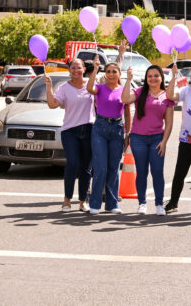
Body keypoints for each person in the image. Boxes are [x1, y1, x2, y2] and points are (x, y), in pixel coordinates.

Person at [122, 65, 174, 216]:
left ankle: (159, 204)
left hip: (157, 138)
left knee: (157, 172)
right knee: (142, 172)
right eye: (149, 76)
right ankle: (142, 203)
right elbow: (125, 99)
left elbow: (169, 123)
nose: (153, 78)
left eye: (156, 75)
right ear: (146, 78)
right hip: (138, 138)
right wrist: (128, 80)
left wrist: (164, 142)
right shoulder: (139, 92)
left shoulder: (167, 96)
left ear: (161, 78)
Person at [86, 56, 134, 215]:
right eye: (108, 71)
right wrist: (95, 69)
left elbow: (127, 112)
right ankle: (95, 203)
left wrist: (128, 133)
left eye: (114, 71)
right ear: (105, 73)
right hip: (100, 127)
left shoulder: (123, 90)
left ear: (120, 74)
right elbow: (89, 88)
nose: (111, 74)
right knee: (101, 167)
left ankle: (112, 204)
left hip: (118, 128)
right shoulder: (99, 88)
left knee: (114, 167)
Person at [44, 59, 93, 212]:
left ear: (84, 69)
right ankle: (67, 200)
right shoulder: (64, 88)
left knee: (86, 167)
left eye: (79, 67)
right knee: (72, 163)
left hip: (89, 130)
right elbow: (52, 105)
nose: (76, 70)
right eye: (73, 68)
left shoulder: (91, 86)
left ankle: (83, 201)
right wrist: (49, 86)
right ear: (69, 70)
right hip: (70, 131)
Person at [164, 64, 191, 215]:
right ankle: (173, 202)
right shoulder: (187, 91)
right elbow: (170, 96)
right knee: (180, 173)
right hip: (187, 139)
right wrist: (174, 77)